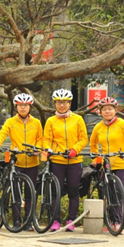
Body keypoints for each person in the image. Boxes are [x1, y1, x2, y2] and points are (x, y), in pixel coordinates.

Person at [0, 93, 43, 231]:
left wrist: (37, 149)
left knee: (30, 193)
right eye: (20, 106)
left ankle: (29, 222)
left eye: (25, 105)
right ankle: (17, 221)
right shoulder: (10, 122)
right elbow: (2, 133)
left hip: (32, 161)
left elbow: (40, 139)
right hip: (17, 161)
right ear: (16, 107)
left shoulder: (36, 122)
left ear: (30, 107)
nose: (23, 108)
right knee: (16, 193)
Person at [89, 97, 124, 233]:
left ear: (115, 110)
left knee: (117, 191)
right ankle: (111, 221)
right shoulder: (98, 127)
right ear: (100, 112)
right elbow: (93, 143)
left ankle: (118, 222)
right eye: (104, 109)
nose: (107, 112)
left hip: (121, 163)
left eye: (110, 109)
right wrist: (95, 156)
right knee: (108, 192)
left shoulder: (123, 124)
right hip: (106, 164)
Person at [41, 88, 88, 232]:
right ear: (55, 103)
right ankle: (55, 221)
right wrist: (48, 149)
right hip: (58, 161)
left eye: (65, 102)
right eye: (59, 102)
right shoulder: (51, 120)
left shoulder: (78, 119)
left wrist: (74, 150)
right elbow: (47, 139)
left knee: (74, 192)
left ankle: (71, 220)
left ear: (70, 103)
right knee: (56, 192)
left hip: (74, 161)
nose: (62, 105)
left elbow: (84, 138)